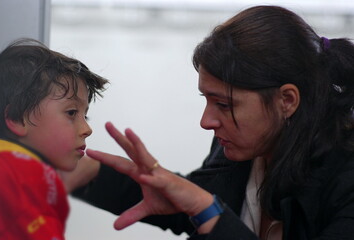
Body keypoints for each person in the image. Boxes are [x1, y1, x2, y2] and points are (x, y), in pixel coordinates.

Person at [64, 5, 354, 240]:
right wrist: (85, 173)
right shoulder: (245, 144)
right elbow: (197, 208)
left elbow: (209, 211)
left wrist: (204, 209)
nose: (206, 122)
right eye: (206, 99)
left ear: (287, 100)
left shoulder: (345, 179)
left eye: (224, 104)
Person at [0, 38, 108, 239]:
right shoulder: (17, 185)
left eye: (86, 115)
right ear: (16, 118)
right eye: (72, 113)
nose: (87, 129)